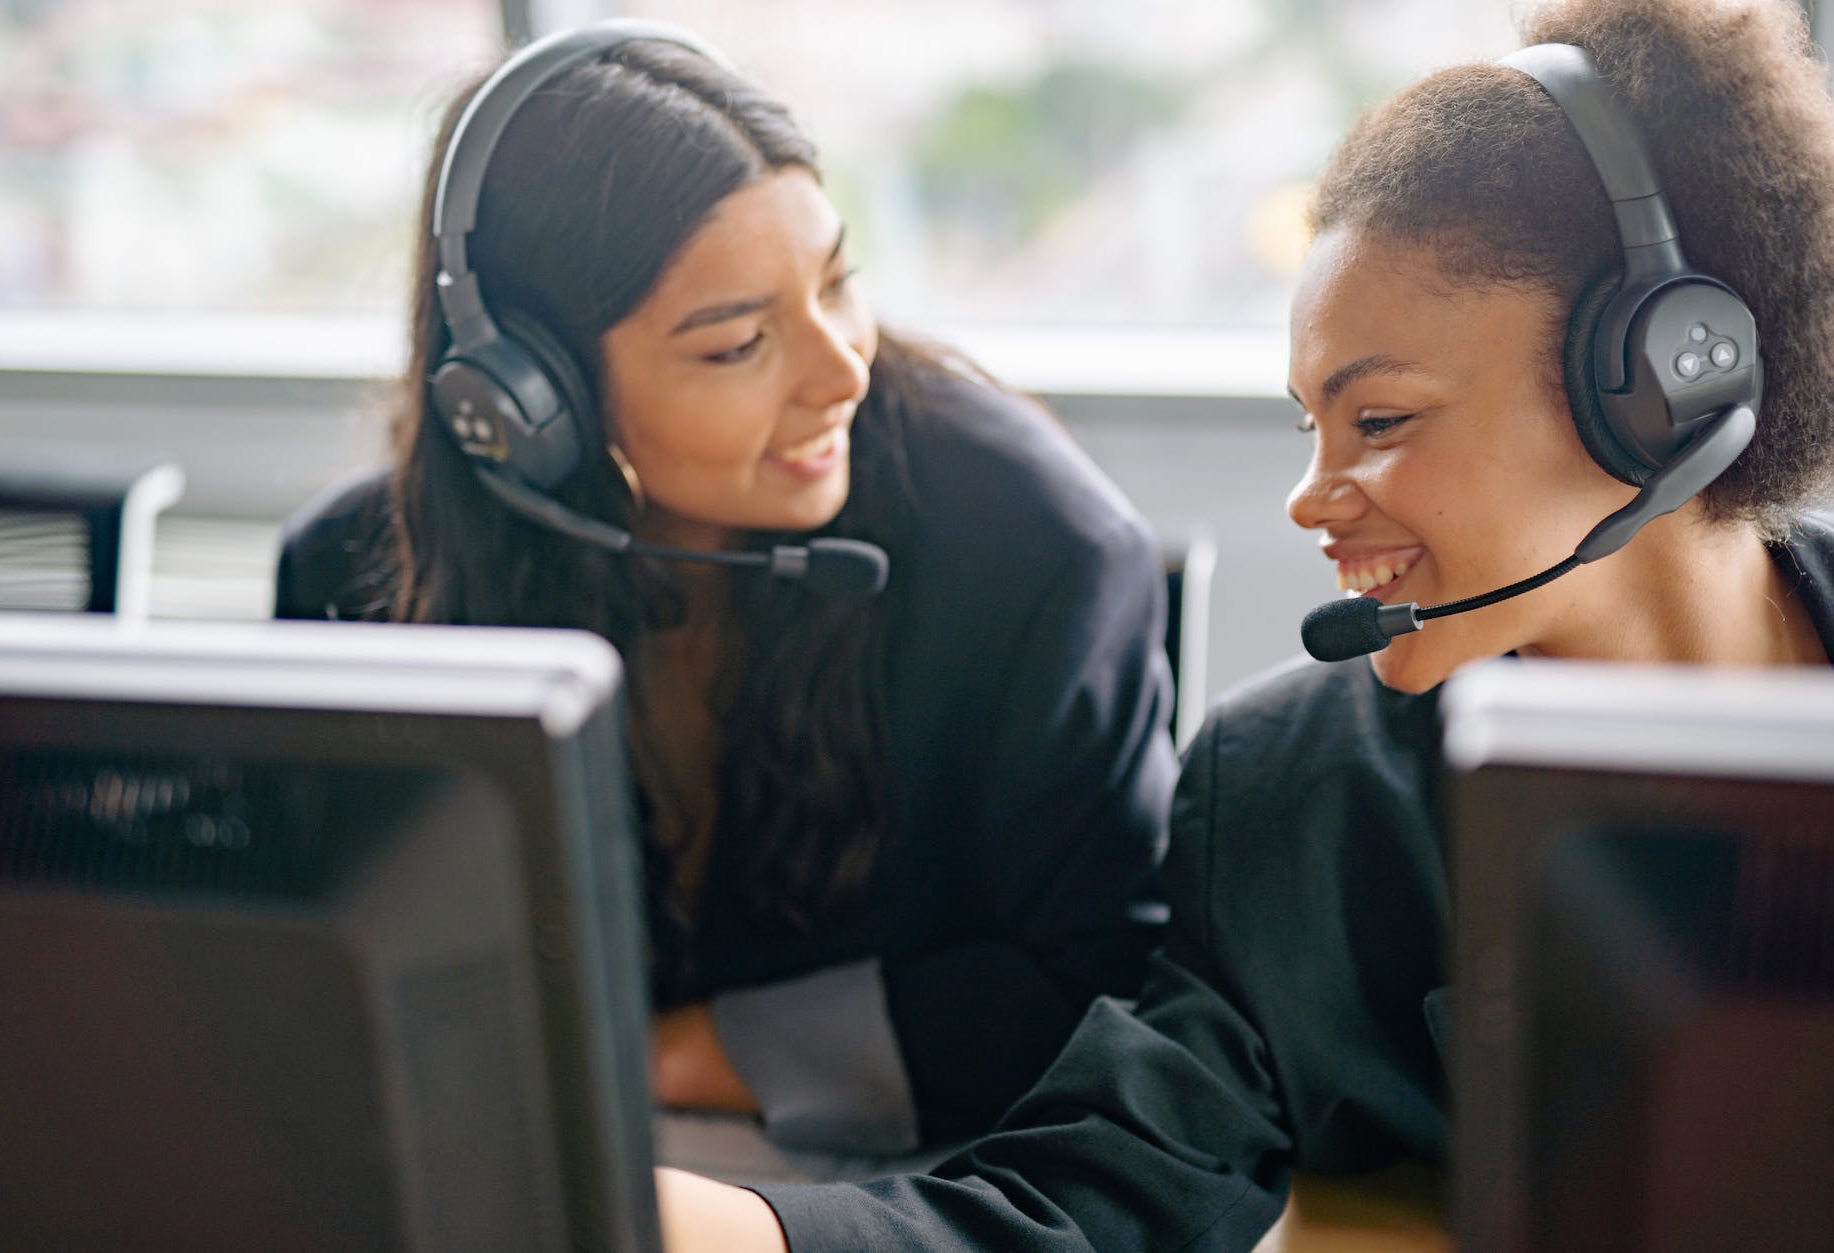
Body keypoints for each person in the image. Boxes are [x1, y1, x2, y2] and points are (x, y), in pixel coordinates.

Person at [654, 0, 1834, 1245]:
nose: (1309, 497)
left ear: (1654, 389)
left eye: (1376, 422)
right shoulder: (1291, 796)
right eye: (1306, 428)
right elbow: (1096, 1196)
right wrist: (716, 1230)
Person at [273, 24, 1178, 1162]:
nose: (840, 367)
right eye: (739, 341)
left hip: (901, 1187)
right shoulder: (356, 581)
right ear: (527, 403)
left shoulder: (1032, 547)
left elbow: (1106, 985)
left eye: (835, 281)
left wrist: (675, 1052)